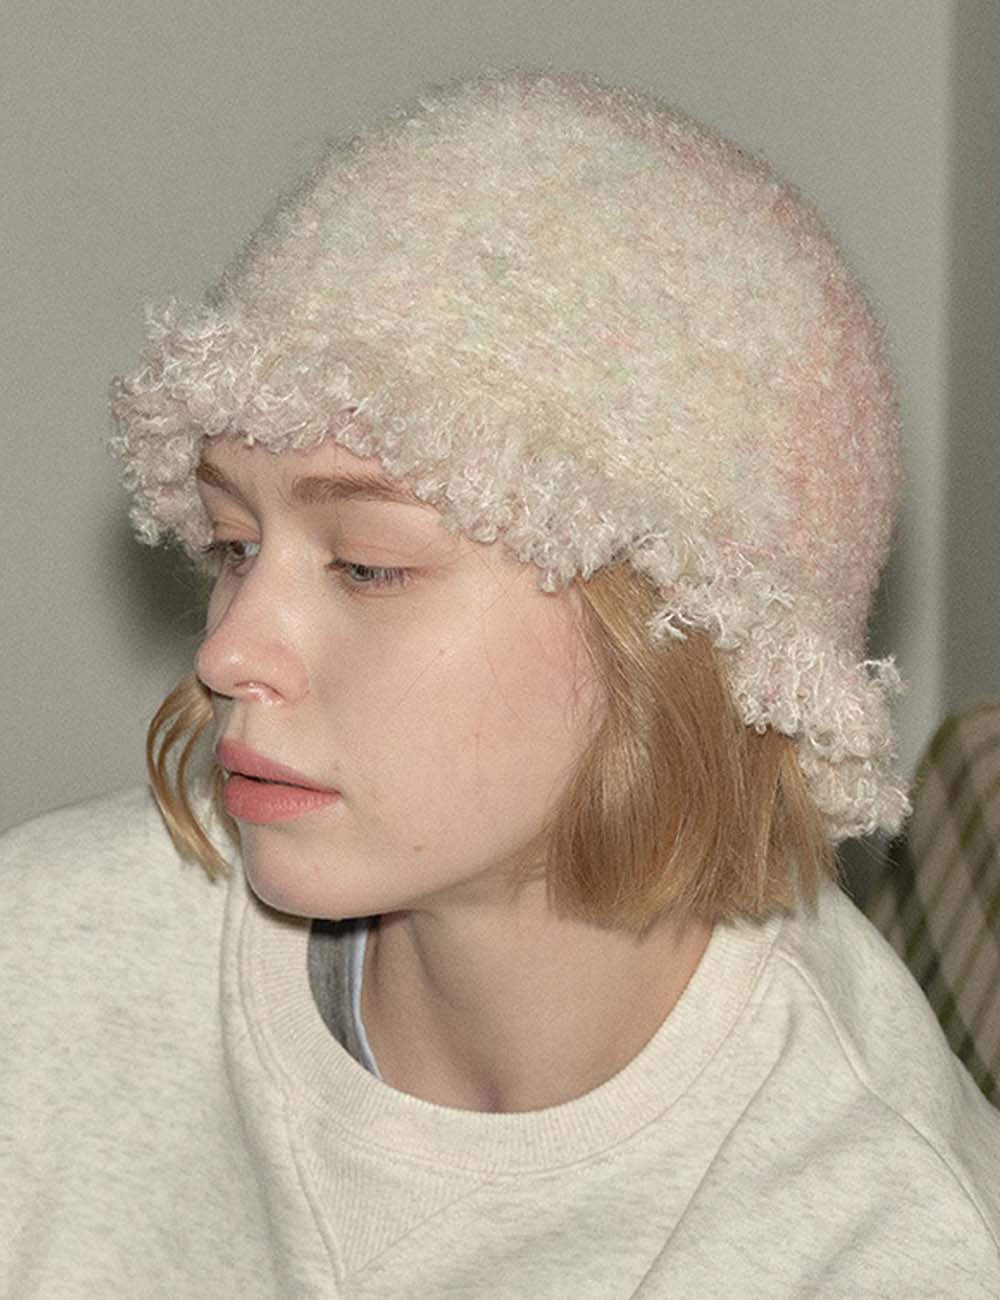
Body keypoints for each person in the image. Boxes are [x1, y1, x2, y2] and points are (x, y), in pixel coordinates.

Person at [2, 67, 998, 1299]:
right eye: (234, 545)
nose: (226, 650)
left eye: (366, 565)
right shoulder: (41, 964)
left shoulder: (881, 1242)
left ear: (677, 628)